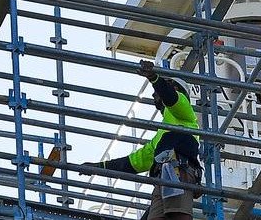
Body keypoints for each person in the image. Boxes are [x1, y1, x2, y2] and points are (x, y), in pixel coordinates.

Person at [81, 60, 202, 220]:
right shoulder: (160, 137)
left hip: (179, 171)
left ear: (176, 88)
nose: (154, 94)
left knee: (178, 216)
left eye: (160, 89)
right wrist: (99, 167)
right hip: (163, 177)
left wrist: (154, 78)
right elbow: (132, 163)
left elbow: (171, 98)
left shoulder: (184, 111)